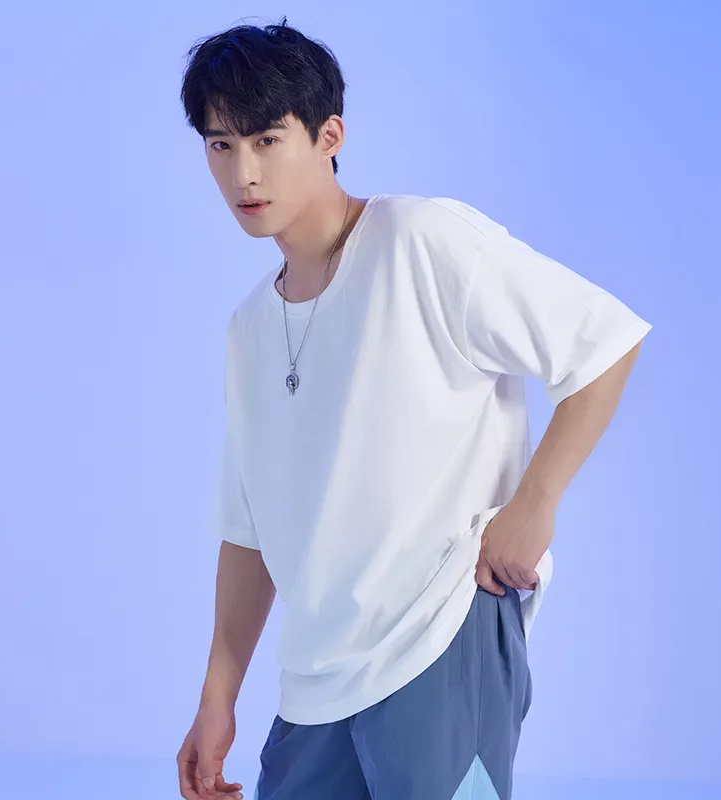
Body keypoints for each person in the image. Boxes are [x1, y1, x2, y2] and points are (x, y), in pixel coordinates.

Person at [175, 18, 653, 800]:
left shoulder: (420, 241)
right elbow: (248, 528)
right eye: (220, 145)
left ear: (329, 136)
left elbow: (603, 343)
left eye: (266, 140)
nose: (243, 173)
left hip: (441, 638)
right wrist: (217, 694)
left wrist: (534, 505)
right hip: (316, 680)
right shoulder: (249, 328)